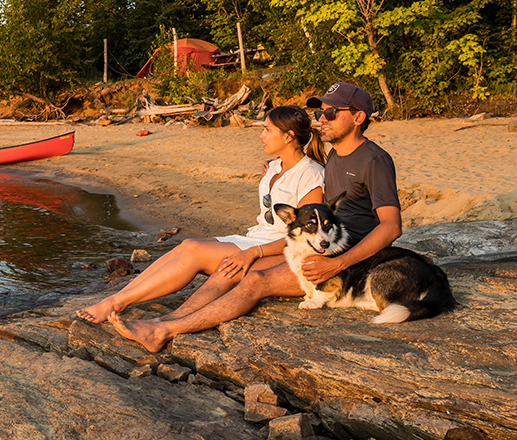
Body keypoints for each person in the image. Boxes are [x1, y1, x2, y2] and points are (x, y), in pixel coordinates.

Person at [108, 82, 403, 352]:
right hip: (321, 246)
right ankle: (166, 321)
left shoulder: (374, 160)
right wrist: (275, 170)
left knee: (254, 281)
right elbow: (307, 182)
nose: (321, 119)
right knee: (230, 269)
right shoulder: (335, 155)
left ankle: (164, 331)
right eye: (320, 113)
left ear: (358, 117)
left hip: (347, 260)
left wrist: (336, 263)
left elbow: (391, 227)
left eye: (330, 113)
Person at [76, 105, 326, 324]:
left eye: (268, 130)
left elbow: (306, 237)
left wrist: (253, 253)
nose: (261, 135)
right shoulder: (274, 167)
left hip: (276, 250)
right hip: (256, 237)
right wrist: (272, 174)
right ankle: (118, 297)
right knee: (186, 244)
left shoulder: (310, 175)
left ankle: (117, 303)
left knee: (195, 250)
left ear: (289, 136)